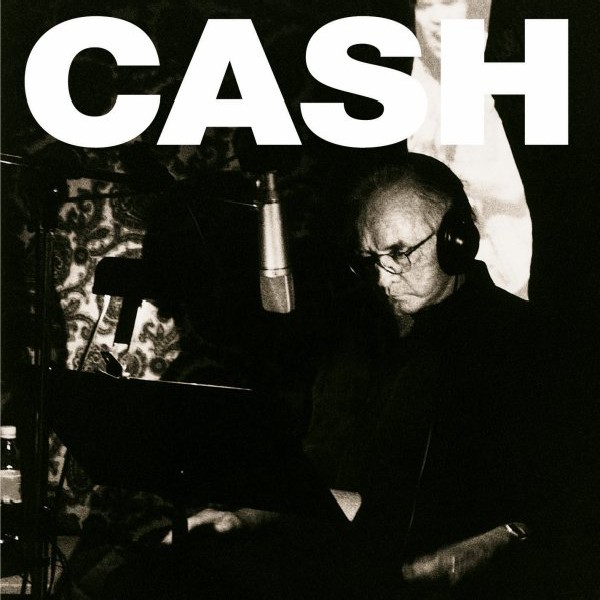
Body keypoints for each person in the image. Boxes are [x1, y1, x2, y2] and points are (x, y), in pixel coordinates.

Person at [73, 153, 556, 600]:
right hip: (335, 557)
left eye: (400, 253)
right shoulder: (355, 334)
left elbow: (555, 502)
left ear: (457, 238)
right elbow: (324, 480)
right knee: (150, 574)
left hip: (431, 576)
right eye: (371, 261)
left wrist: (495, 540)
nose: (384, 278)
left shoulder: (523, 339)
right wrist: (245, 516)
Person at [408, 0, 533, 300]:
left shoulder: (498, 78)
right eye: (426, 6)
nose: (436, 18)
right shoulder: (419, 83)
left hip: (509, 273)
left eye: (448, 2)